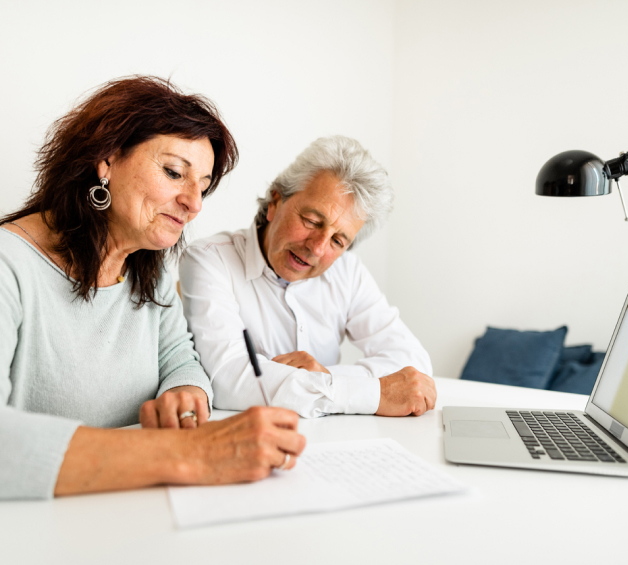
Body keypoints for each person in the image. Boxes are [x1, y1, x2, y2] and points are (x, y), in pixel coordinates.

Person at [0, 76, 305, 501]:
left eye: (202, 185)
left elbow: (180, 357)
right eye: (174, 172)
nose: (194, 203)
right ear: (106, 159)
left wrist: (184, 394)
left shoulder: (148, 264)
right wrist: (192, 453)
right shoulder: (8, 266)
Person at [179, 136, 436, 418]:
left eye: (338, 241)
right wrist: (367, 392)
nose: (317, 247)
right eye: (312, 222)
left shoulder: (348, 272)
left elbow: (414, 365)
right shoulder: (209, 259)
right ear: (276, 201)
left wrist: (326, 376)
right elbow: (228, 378)